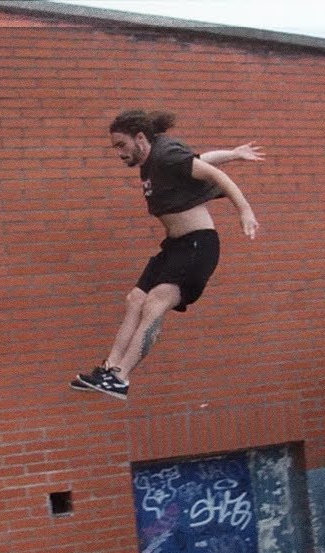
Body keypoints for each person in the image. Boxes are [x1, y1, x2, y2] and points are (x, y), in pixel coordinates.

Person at [72, 110, 261, 399]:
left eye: (121, 146)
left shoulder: (165, 155)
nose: (119, 154)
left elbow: (213, 174)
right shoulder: (153, 160)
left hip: (198, 246)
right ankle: (109, 370)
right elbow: (199, 161)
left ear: (140, 138)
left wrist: (244, 210)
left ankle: (121, 378)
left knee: (156, 301)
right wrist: (234, 153)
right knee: (135, 299)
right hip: (175, 246)